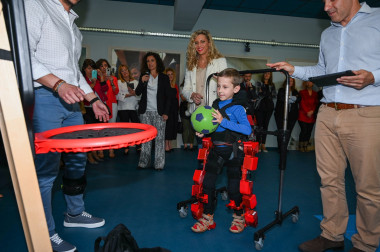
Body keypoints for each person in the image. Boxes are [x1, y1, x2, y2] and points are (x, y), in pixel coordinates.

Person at [267, 1, 380, 251]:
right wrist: (293, 69)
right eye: (324, 1)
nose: (326, 6)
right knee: (329, 181)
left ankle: (366, 244)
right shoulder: (327, 33)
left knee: (368, 188)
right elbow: (321, 70)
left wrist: (374, 76)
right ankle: (332, 234)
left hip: (366, 114)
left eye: (332, 0)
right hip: (328, 112)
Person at [25, 0, 109, 251]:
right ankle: (44, 232)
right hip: (45, 97)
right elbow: (25, 57)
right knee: (46, 170)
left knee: (77, 160)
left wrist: (93, 98)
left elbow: (74, 72)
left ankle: (74, 213)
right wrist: (59, 85)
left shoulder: (73, 24)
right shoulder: (35, 4)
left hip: (72, 104)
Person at [191, 68, 252, 234]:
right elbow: (214, 128)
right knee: (208, 184)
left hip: (234, 153)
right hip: (216, 150)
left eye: (225, 87)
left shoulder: (238, 108)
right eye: (218, 86)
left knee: (234, 188)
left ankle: (239, 217)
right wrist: (204, 131)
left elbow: (246, 130)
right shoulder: (215, 105)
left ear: (235, 89)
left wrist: (224, 121)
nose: (220, 90)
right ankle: (208, 216)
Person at [135, 52, 171, 171]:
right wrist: (142, 82)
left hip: (159, 112)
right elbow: (137, 92)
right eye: (148, 61)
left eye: (152, 60)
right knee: (146, 139)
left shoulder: (164, 78)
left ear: (157, 62)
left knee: (160, 139)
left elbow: (168, 97)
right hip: (145, 112)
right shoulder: (144, 77)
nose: (150, 63)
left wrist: (166, 112)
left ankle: (159, 164)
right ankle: (143, 162)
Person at [182, 29, 227, 115]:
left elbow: (227, 87)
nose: (199, 45)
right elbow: (185, 90)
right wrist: (192, 95)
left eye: (202, 42)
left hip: (215, 111)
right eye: (196, 43)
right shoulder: (190, 65)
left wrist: (220, 81)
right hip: (196, 111)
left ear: (209, 43)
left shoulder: (220, 61)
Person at [81, 59, 108, 164]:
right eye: (88, 68)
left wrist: (101, 78)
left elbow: (105, 89)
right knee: (90, 133)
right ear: (84, 69)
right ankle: (89, 154)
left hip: (99, 108)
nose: (90, 70)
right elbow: (84, 95)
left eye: (92, 68)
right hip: (88, 108)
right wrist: (91, 84)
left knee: (98, 132)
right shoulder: (82, 80)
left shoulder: (96, 78)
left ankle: (95, 152)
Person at [96, 59, 119, 158]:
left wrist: (111, 82)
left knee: (111, 128)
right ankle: (100, 150)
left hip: (112, 104)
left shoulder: (113, 78)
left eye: (106, 65)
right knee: (101, 128)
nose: (104, 67)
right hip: (100, 104)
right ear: (98, 68)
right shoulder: (96, 78)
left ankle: (111, 149)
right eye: (101, 66)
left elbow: (116, 92)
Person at [116, 64, 140, 155]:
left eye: (126, 70)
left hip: (133, 107)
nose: (125, 72)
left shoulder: (136, 82)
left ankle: (138, 145)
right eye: (122, 71)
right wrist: (127, 95)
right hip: (123, 108)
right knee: (125, 130)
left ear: (128, 71)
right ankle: (126, 146)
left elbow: (139, 95)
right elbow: (117, 95)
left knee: (137, 128)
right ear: (120, 73)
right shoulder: (118, 82)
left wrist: (134, 93)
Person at [274, 77, 300, 150]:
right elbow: (282, 99)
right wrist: (293, 98)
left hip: (292, 115)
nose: (290, 82)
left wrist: (289, 98)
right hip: (280, 115)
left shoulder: (295, 91)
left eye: (292, 81)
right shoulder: (281, 90)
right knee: (280, 131)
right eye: (289, 80)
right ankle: (280, 148)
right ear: (286, 81)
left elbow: (299, 99)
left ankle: (285, 148)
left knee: (288, 132)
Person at [254, 72, 276, 152]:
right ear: (263, 75)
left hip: (269, 107)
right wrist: (266, 94)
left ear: (270, 76)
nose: (267, 75)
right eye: (266, 73)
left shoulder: (272, 85)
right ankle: (258, 144)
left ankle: (263, 144)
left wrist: (263, 93)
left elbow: (274, 96)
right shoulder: (258, 83)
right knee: (259, 126)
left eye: (269, 74)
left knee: (266, 126)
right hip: (260, 107)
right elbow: (257, 95)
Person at [297, 81, 318, 152]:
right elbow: (301, 103)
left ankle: (305, 146)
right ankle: (300, 146)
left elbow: (316, 104)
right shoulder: (301, 92)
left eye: (311, 82)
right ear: (305, 84)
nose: (309, 83)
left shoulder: (315, 93)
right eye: (308, 82)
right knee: (304, 131)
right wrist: (307, 112)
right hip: (303, 114)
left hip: (311, 115)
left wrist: (312, 111)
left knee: (309, 131)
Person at [163, 68, 179, 152]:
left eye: (171, 74)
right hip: (167, 109)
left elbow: (177, 98)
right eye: (168, 74)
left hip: (174, 109)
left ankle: (169, 144)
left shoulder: (175, 85)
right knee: (167, 127)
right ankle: (166, 145)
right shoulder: (164, 85)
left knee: (173, 127)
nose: (170, 76)